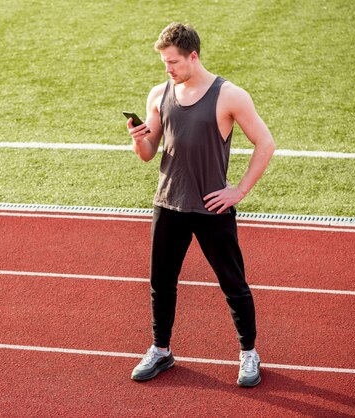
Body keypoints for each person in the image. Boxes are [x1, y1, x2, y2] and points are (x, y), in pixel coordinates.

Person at [127, 22, 275, 387]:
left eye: (174, 61)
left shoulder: (230, 95)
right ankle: (161, 351)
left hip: (212, 209)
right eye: (164, 62)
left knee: (233, 283)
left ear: (193, 56)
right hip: (168, 204)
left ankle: (249, 354)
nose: (168, 69)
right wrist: (136, 138)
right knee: (161, 282)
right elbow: (148, 153)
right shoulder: (159, 94)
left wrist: (238, 190)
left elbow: (266, 143)